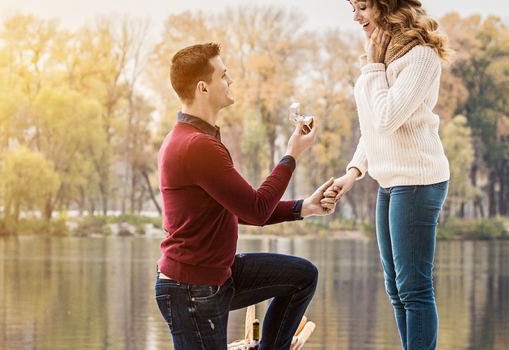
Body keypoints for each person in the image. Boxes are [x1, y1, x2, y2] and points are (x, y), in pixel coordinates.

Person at [155, 42, 336, 350]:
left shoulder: (195, 140)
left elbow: (236, 210)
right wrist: (292, 153)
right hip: (191, 289)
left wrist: (304, 207)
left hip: (215, 275)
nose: (230, 81)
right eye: (224, 76)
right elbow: (256, 209)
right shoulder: (196, 146)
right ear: (203, 88)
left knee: (302, 277)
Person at [327, 1, 455, 349]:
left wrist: (373, 67)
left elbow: (387, 117)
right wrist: (352, 173)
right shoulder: (382, 55)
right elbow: (374, 128)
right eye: (352, 8)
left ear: (386, 6)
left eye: (363, 6)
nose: (356, 17)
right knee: (396, 289)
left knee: (414, 288)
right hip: (390, 181)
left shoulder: (421, 56)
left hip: (417, 179)